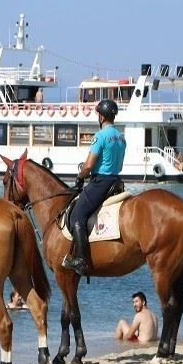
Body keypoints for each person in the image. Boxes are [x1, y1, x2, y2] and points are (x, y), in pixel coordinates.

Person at [61, 98, 126, 276]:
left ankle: (81, 260)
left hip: (100, 183)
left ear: (101, 117)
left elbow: (89, 165)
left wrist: (80, 176)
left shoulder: (100, 136)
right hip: (116, 181)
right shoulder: (121, 137)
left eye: (98, 114)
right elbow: (119, 165)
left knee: (76, 215)